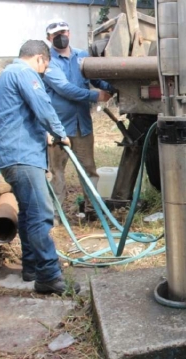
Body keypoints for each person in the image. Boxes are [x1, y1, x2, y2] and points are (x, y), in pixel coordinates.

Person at [0, 40, 81, 295]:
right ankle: (49, 277)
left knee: (28, 214)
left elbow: (15, 114)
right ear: (41, 58)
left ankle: (31, 267)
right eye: (45, 67)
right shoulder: (24, 73)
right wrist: (61, 134)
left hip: (12, 155)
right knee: (41, 215)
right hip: (23, 156)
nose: (43, 72)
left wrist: (43, 134)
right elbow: (43, 107)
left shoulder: (6, 75)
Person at [42, 18, 114, 220]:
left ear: (69, 33)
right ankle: (55, 215)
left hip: (82, 126)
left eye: (64, 32)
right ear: (49, 38)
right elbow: (64, 88)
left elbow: (96, 78)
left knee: (89, 170)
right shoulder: (48, 62)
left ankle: (92, 211)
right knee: (57, 172)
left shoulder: (82, 56)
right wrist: (96, 95)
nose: (61, 37)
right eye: (56, 35)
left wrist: (112, 85)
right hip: (59, 128)